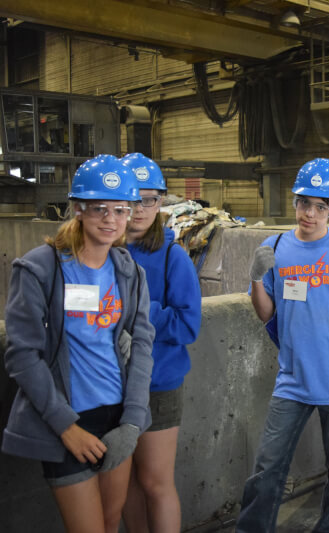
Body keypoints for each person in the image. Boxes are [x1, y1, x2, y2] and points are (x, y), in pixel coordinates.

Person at [3, 154, 155, 532]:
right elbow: (23, 355)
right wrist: (65, 426)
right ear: (78, 209)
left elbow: (141, 344)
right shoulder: (41, 268)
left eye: (120, 209)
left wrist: (133, 422)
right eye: (99, 208)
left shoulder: (128, 271)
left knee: (108, 520)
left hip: (116, 416)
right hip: (67, 420)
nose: (111, 219)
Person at [238, 158, 329, 533]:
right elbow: (265, 313)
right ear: (295, 203)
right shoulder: (274, 247)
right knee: (268, 466)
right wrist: (256, 277)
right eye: (304, 202)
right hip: (293, 377)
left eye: (321, 206)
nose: (310, 213)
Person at [121, 153, 202, 533]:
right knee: (126, 486)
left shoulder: (173, 256)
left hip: (157, 383)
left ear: (162, 203)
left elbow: (188, 326)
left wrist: (138, 311)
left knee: (155, 482)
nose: (139, 209)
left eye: (150, 199)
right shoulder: (101, 252)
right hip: (108, 385)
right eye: (132, 198)